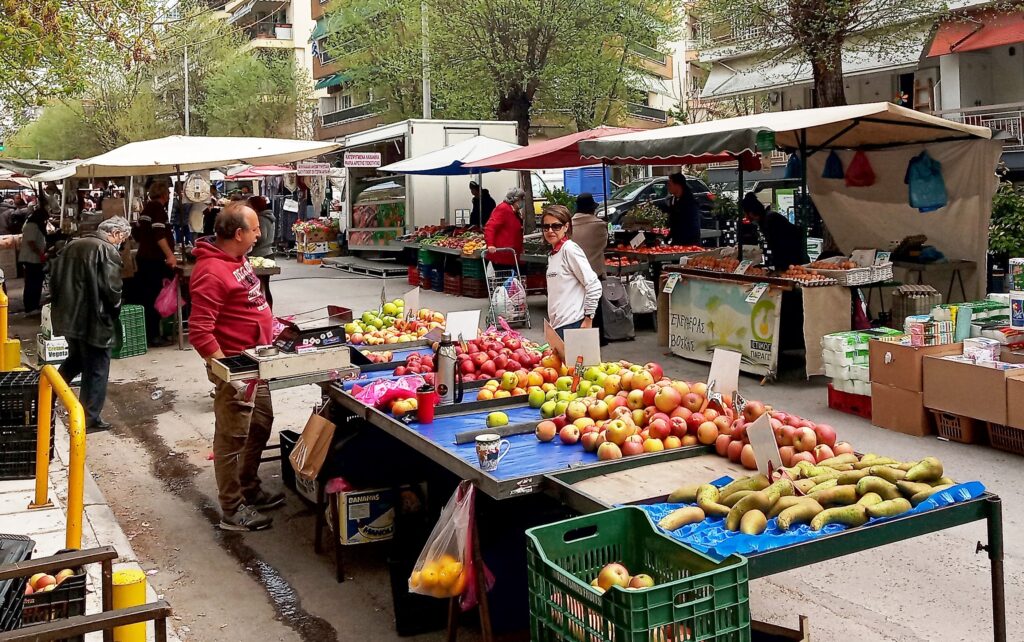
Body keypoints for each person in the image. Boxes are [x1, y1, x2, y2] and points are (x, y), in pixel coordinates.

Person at [189, 201, 282, 531]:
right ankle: (232, 508)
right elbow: (200, 330)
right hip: (237, 367)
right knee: (232, 437)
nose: (259, 233)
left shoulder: (236, 260)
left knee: (261, 424)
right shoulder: (211, 273)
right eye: (254, 228)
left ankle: (249, 487)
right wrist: (228, 373)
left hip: (259, 360)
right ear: (238, 233)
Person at [50, 217, 131, 433]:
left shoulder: (72, 245)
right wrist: (113, 312)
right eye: (122, 238)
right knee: (97, 367)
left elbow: (54, 279)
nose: (122, 242)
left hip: (69, 317)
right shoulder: (107, 251)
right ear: (115, 233)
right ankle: (90, 417)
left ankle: (47, 394)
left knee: (76, 359)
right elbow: (112, 290)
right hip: (94, 319)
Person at [541, 205, 602, 339]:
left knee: (576, 361)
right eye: (546, 227)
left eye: (556, 226)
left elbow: (594, 285)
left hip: (573, 325)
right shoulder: (553, 254)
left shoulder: (569, 249)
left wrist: (588, 318)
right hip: (557, 326)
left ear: (566, 227)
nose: (550, 231)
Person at [132, 182, 177, 347]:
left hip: (144, 258)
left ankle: (152, 334)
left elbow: (136, 232)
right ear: (164, 194)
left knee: (148, 297)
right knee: (154, 297)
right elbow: (159, 235)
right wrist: (170, 255)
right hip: (153, 260)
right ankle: (154, 336)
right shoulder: (157, 209)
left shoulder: (146, 209)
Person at [741, 192, 809, 270]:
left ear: (751, 213)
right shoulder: (765, 220)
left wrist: (778, 267)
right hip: (789, 259)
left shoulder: (771, 220)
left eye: (745, 213)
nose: (745, 216)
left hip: (794, 260)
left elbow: (780, 246)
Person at [655, 173, 701, 246]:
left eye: (670, 184)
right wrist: (668, 237)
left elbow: (691, 226)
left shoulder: (690, 203)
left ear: (678, 185)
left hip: (689, 243)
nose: (668, 187)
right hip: (677, 241)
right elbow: (674, 223)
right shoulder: (674, 200)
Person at [484, 187, 525, 267]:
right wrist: (490, 244)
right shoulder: (503, 209)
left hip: (511, 254)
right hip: (502, 255)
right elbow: (490, 227)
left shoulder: (514, 212)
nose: (522, 201)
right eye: (521, 199)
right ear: (515, 200)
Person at [247, 195, 276, 307]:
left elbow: (261, 237)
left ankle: (263, 312)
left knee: (259, 287)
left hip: (260, 255)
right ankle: (268, 312)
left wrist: (249, 239)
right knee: (265, 286)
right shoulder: (269, 217)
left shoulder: (261, 218)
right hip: (267, 253)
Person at [18, 208, 48, 313]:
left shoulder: (34, 224)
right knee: (32, 283)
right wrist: (40, 254)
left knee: (36, 282)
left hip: (35, 259)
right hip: (31, 259)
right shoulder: (31, 225)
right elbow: (31, 242)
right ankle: (30, 306)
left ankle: (34, 304)